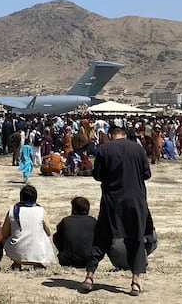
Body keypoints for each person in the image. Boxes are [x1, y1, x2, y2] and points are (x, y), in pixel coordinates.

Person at [83, 127, 152, 296]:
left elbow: (97, 175)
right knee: (135, 239)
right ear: (125, 135)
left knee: (102, 237)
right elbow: (146, 174)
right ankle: (135, 282)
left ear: (110, 135)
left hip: (111, 200)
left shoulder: (104, 149)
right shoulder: (137, 148)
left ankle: (89, 276)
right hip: (135, 200)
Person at [2, 184, 55, 270]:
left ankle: (16, 263)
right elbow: (49, 232)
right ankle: (38, 264)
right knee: (43, 235)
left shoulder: (12, 210)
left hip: (16, 254)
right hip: (37, 255)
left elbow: (4, 234)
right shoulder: (40, 210)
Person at [53, 197, 97, 268]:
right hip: (89, 260)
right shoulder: (93, 221)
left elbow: (56, 238)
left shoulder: (66, 221)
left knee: (56, 235)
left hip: (66, 260)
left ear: (74, 209)